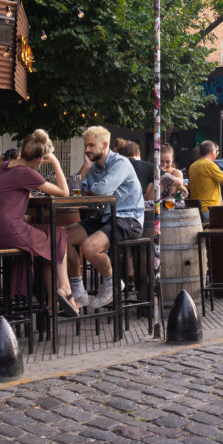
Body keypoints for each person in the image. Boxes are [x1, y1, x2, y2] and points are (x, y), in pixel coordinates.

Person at [0, 130, 78, 315]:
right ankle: (65, 289)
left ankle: (55, 302)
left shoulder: (5, 166)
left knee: (56, 235)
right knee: (59, 235)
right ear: (39, 160)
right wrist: (57, 163)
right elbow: (64, 192)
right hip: (9, 232)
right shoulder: (26, 172)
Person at [66, 126, 145, 309]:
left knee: (89, 247)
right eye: (86, 145)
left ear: (105, 144)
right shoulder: (92, 167)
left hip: (128, 218)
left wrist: (86, 192)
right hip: (104, 216)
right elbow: (71, 193)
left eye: (91, 145)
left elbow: (103, 190)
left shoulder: (121, 163)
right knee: (62, 237)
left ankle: (112, 282)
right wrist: (85, 168)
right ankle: (78, 290)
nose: (87, 150)